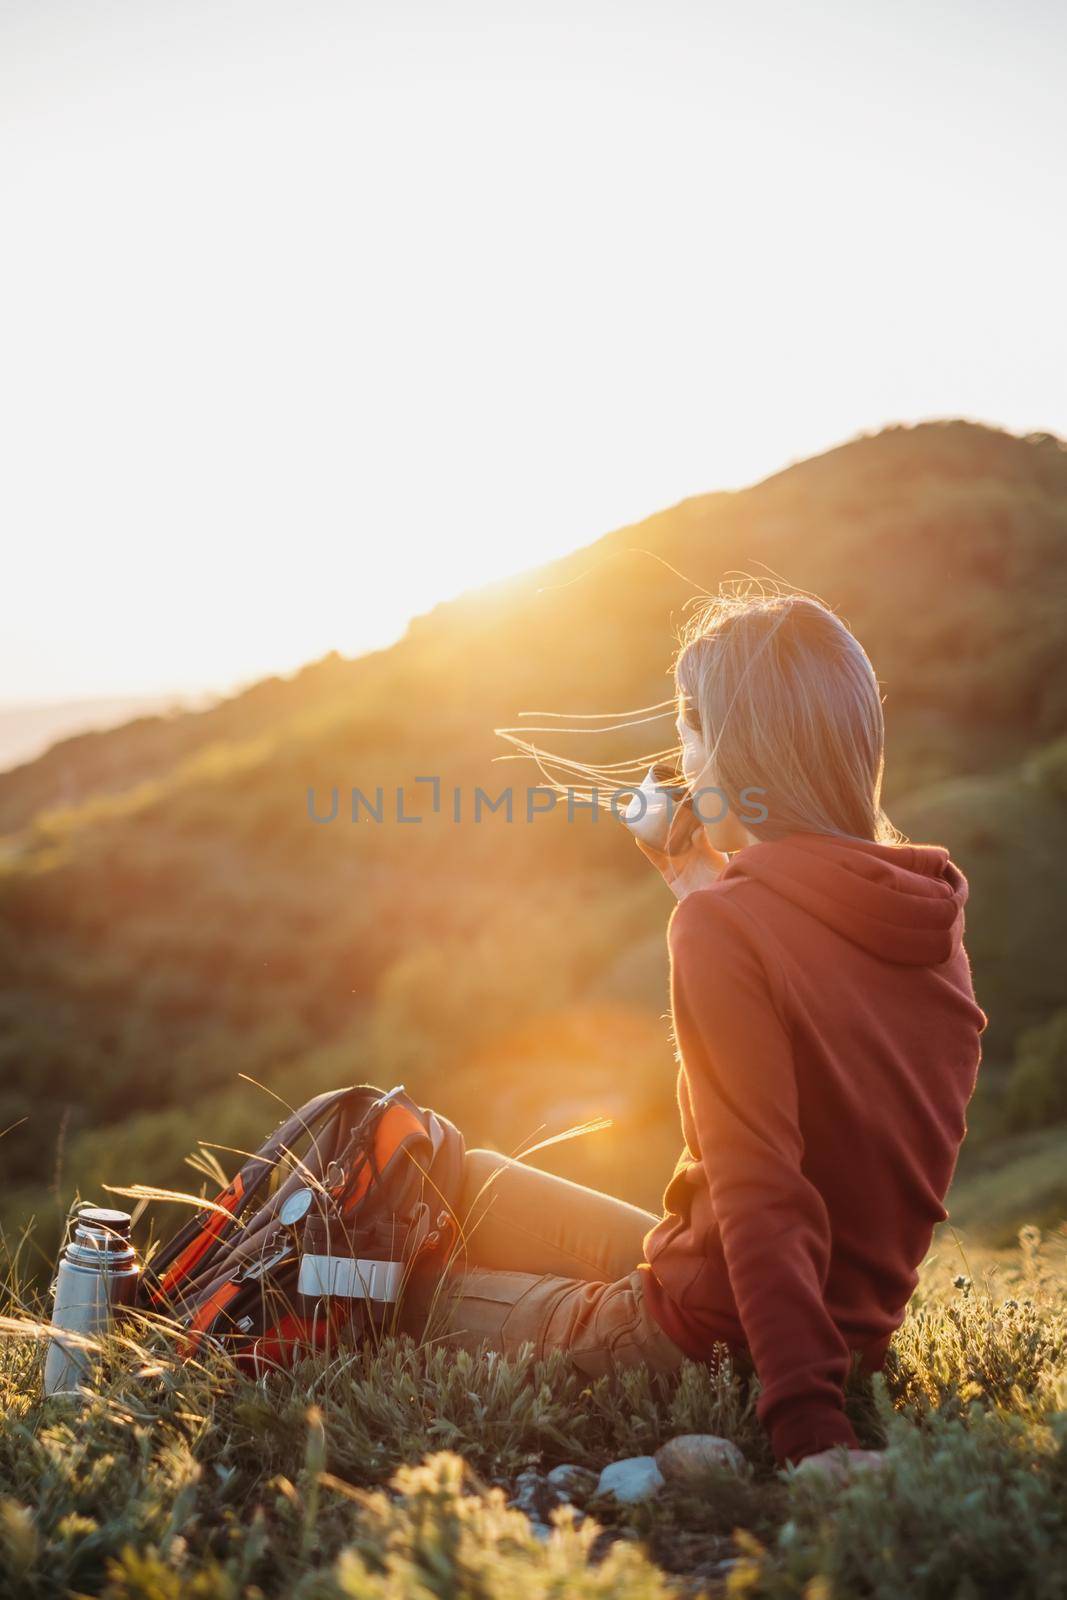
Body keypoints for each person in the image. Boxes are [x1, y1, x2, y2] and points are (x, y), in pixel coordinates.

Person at [401, 586, 988, 1483]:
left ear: (738, 753)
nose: (679, 765)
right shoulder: (924, 914)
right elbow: (846, 1144)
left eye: (690, 737)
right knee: (460, 1181)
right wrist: (698, 891)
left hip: (703, 1336)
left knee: (385, 1284)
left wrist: (809, 1428)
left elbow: (764, 1190)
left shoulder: (729, 930)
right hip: (831, 1322)